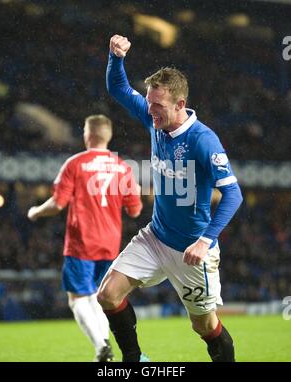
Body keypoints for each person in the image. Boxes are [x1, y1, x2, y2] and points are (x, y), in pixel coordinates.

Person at [97, 35, 243, 362]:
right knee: (107, 294)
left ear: (179, 104)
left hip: (192, 250)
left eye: (158, 106)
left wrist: (206, 240)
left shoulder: (204, 141)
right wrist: (116, 58)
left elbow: (233, 194)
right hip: (156, 237)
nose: (150, 111)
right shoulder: (154, 120)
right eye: (149, 103)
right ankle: (134, 361)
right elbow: (119, 89)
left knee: (203, 326)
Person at [27, 114, 143, 361]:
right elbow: (135, 209)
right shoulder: (123, 167)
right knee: (100, 298)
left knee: (78, 299)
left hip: (82, 243)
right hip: (110, 244)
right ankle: (104, 348)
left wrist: (35, 211)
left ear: (87, 135)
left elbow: (58, 204)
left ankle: (102, 346)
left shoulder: (75, 164)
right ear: (108, 136)